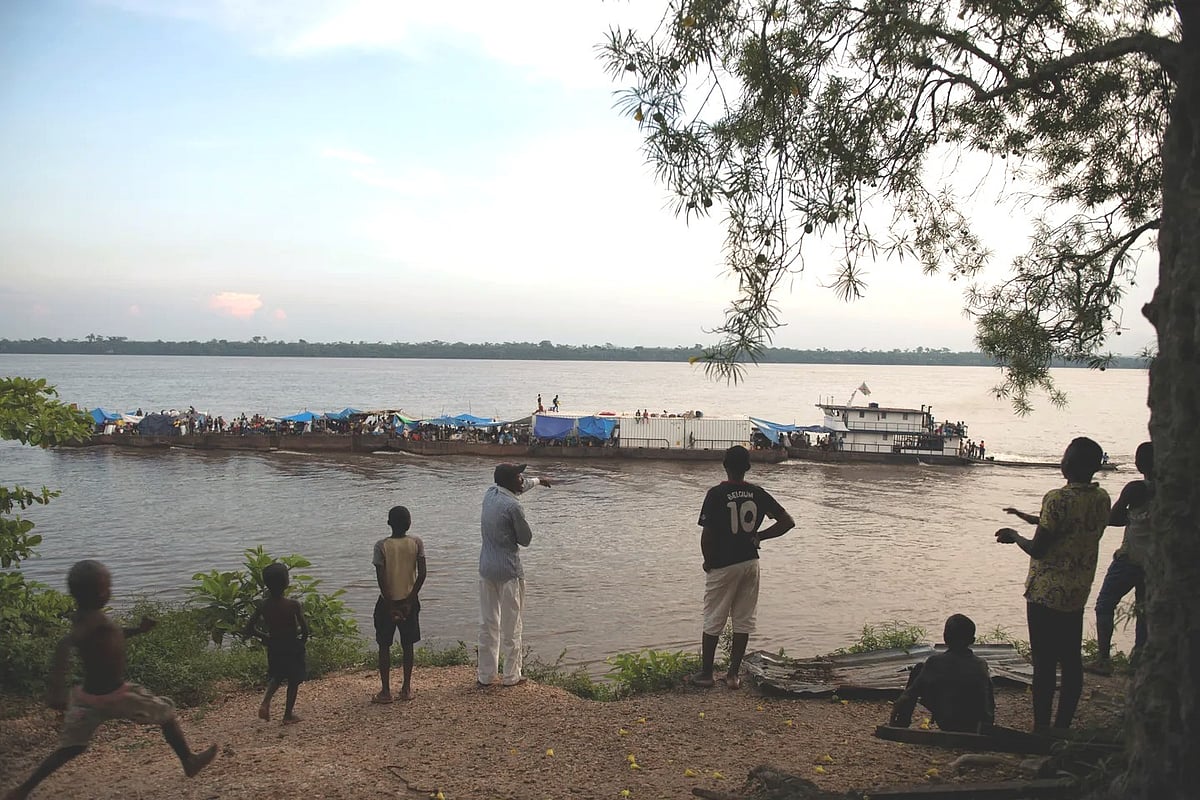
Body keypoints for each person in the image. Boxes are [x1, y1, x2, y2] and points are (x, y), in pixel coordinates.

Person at [4, 561, 216, 800]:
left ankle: (22, 790)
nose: (110, 592)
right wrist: (55, 687)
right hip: (117, 695)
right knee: (166, 713)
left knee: (70, 747)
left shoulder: (89, 618)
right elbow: (66, 643)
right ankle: (189, 761)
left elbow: (113, 634)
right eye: (107, 588)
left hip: (88, 698)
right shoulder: (92, 621)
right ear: (96, 594)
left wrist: (138, 630)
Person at [996, 436, 1110, 732]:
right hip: (1076, 592)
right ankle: (1062, 728)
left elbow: (1038, 549)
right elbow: (1069, 527)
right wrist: (1025, 516)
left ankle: (1041, 730)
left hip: (1045, 593)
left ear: (1068, 464)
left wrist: (1014, 535)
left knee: (1044, 664)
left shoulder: (1057, 498)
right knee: (1071, 660)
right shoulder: (1101, 499)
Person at [692, 445, 794, 689]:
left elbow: (707, 535)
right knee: (743, 619)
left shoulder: (716, 494)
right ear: (748, 468)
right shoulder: (757, 493)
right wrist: (759, 536)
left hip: (724, 563)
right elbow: (787, 522)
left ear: (725, 466)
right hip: (750, 562)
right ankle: (733, 675)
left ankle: (706, 674)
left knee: (714, 617)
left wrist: (708, 560)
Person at [477, 463, 554, 687]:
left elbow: (521, 487)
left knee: (487, 624)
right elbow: (525, 539)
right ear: (511, 482)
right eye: (519, 476)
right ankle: (511, 677)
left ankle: (486, 675)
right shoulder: (513, 507)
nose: (522, 479)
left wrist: (539, 481)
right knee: (512, 627)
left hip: (486, 569)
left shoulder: (489, 494)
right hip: (509, 572)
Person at [1087, 441, 1154, 674]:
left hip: (1130, 558)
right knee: (1144, 610)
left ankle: (1103, 659)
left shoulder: (1135, 488)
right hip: (1155, 564)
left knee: (1105, 604)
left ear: (1139, 463)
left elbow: (1114, 518)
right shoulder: (1173, 492)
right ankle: (1139, 661)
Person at [888, 614, 995, 733]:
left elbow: (909, 694)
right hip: (978, 726)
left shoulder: (935, 662)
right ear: (972, 641)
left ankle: (901, 722)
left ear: (945, 637)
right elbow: (988, 698)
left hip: (949, 723)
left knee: (918, 670)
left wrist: (894, 714)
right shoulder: (981, 664)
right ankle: (986, 725)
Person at [372, 505, 426, 703]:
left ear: (388, 523)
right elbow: (422, 574)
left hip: (386, 603)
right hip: (409, 601)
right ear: (409, 523)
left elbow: (381, 578)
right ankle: (406, 689)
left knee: (384, 645)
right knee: (408, 645)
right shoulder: (416, 543)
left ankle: (385, 692)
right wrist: (410, 601)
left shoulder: (381, 546)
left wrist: (390, 606)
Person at [243, 562, 309, 724]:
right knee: (293, 681)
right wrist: (301, 641)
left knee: (277, 676)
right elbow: (305, 629)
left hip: (274, 646)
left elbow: (249, 628)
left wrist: (265, 637)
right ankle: (288, 715)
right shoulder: (293, 605)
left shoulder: (264, 605)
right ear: (286, 582)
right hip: (292, 646)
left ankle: (266, 702)